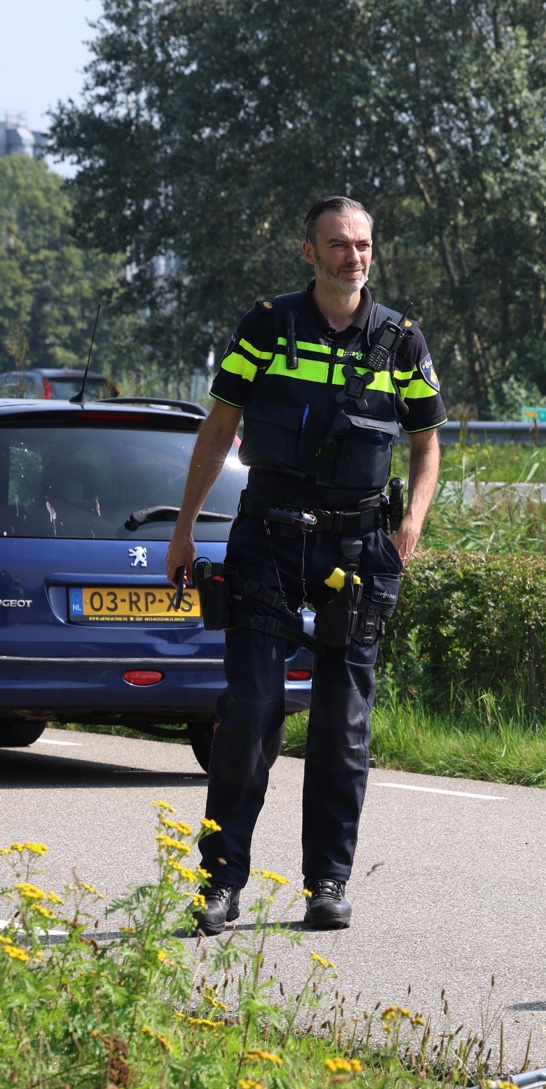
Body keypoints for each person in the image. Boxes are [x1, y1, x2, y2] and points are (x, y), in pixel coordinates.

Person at [167, 195, 445, 935]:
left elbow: (425, 446)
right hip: (267, 541)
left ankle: (327, 881)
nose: (354, 256)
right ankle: (220, 885)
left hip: (358, 551)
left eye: (363, 245)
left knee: (342, 728)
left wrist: (409, 529)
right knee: (251, 711)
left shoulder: (402, 341)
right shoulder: (267, 326)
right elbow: (219, 426)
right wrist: (185, 528)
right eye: (339, 245)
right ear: (309, 252)